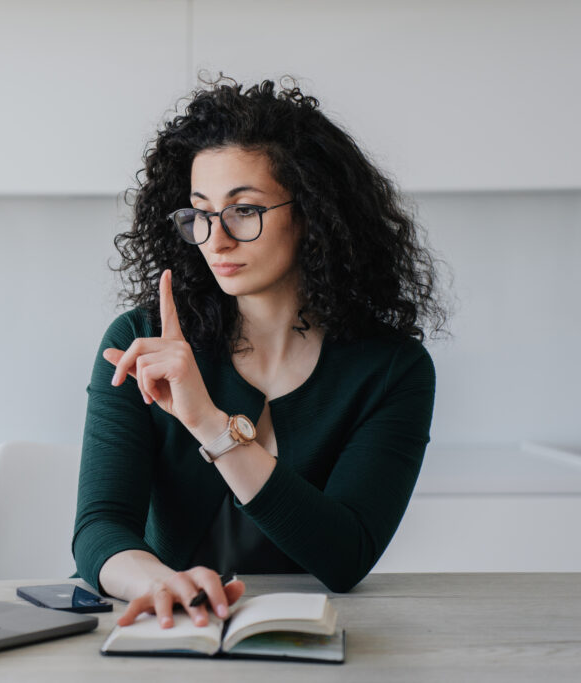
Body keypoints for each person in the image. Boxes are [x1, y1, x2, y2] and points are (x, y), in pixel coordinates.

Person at [72, 76, 446, 631]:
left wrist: (209, 424)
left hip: (318, 640)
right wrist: (157, 582)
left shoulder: (391, 370)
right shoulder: (143, 341)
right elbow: (99, 529)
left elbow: (346, 557)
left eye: (244, 211)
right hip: (174, 632)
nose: (214, 240)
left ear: (312, 213)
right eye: (199, 212)